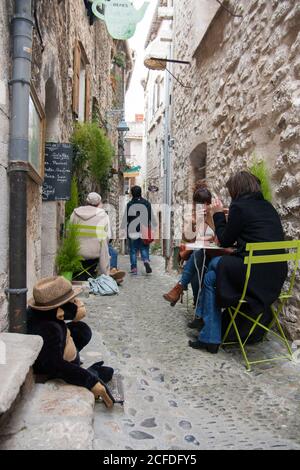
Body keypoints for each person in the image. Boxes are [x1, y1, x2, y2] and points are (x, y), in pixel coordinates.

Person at [189, 171, 288, 353]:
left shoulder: (240, 207)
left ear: (237, 189)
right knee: (213, 273)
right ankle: (206, 329)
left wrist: (218, 214)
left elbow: (225, 240)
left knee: (212, 272)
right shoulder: (267, 207)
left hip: (253, 273)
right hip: (275, 274)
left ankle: (208, 332)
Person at [27, 276, 116, 408]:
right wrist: (90, 381)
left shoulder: (46, 316)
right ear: (60, 311)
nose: (77, 303)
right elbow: (55, 365)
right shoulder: (49, 329)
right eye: (72, 301)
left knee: (81, 330)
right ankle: (85, 371)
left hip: (59, 347)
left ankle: (76, 366)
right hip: (51, 367)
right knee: (70, 367)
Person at [163, 182, 215, 322]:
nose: (204, 207)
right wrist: (195, 222)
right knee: (196, 274)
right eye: (200, 204)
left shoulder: (215, 214)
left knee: (195, 267)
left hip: (212, 256)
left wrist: (209, 217)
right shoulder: (190, 217)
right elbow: (187, 238)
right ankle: (199, 313)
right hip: (198, 257)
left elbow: (217, 236)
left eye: (206, 204)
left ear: (210, 203)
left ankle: (179, 287)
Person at [70, 192, 110, 278]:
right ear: (98, 203)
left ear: (86, 201)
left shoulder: (75, 213)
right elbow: (107, 236)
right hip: (94, 254)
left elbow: (69, 233)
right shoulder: (103, 215)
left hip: (76, 251)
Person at [123, 185, 156, 275]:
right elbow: (150, 217)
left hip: (132, 229)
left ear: (132, 194)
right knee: (144, 248)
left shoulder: (129, 204)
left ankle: (134, 268)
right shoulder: (146, 203)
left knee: (133, 250)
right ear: (140, 192)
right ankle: (145, 260)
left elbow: (126, 218)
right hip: (144, 228)